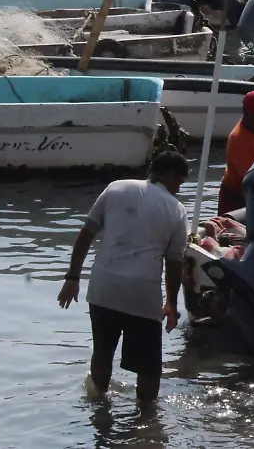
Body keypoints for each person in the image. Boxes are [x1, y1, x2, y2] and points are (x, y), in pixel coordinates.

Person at [57, 151, 191, 411]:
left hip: (103, 288)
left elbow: (86, 234)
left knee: (102, 353)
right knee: (149, 368)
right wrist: (172, 304)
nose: (178, 189)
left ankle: (98, 411)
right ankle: (146, 421)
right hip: (142, 295)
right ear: (169, 175)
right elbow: (174, 264)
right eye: (179, 182)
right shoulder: (176, 209)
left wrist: (73, 277)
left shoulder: (115, 188)